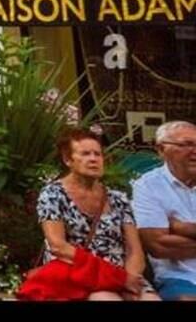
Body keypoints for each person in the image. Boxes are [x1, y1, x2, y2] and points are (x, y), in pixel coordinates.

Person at [37, 125, 158, 300]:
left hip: (123, 276)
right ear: (68, 160)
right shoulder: (53, 194)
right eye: (85, 154)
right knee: (106, 298)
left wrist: (130, 278)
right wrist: (112, 276)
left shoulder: (118, 198)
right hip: (80, 275)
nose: (93, 159)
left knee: (150, 298)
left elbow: (134, 249)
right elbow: (58, 246)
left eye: (97, 154)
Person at [134, 120, 196, 301]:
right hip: (180, 277)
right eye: (186, 144)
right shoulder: (147, 186)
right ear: (161, 150)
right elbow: (159, 246)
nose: (194, 151)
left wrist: (181, 228)